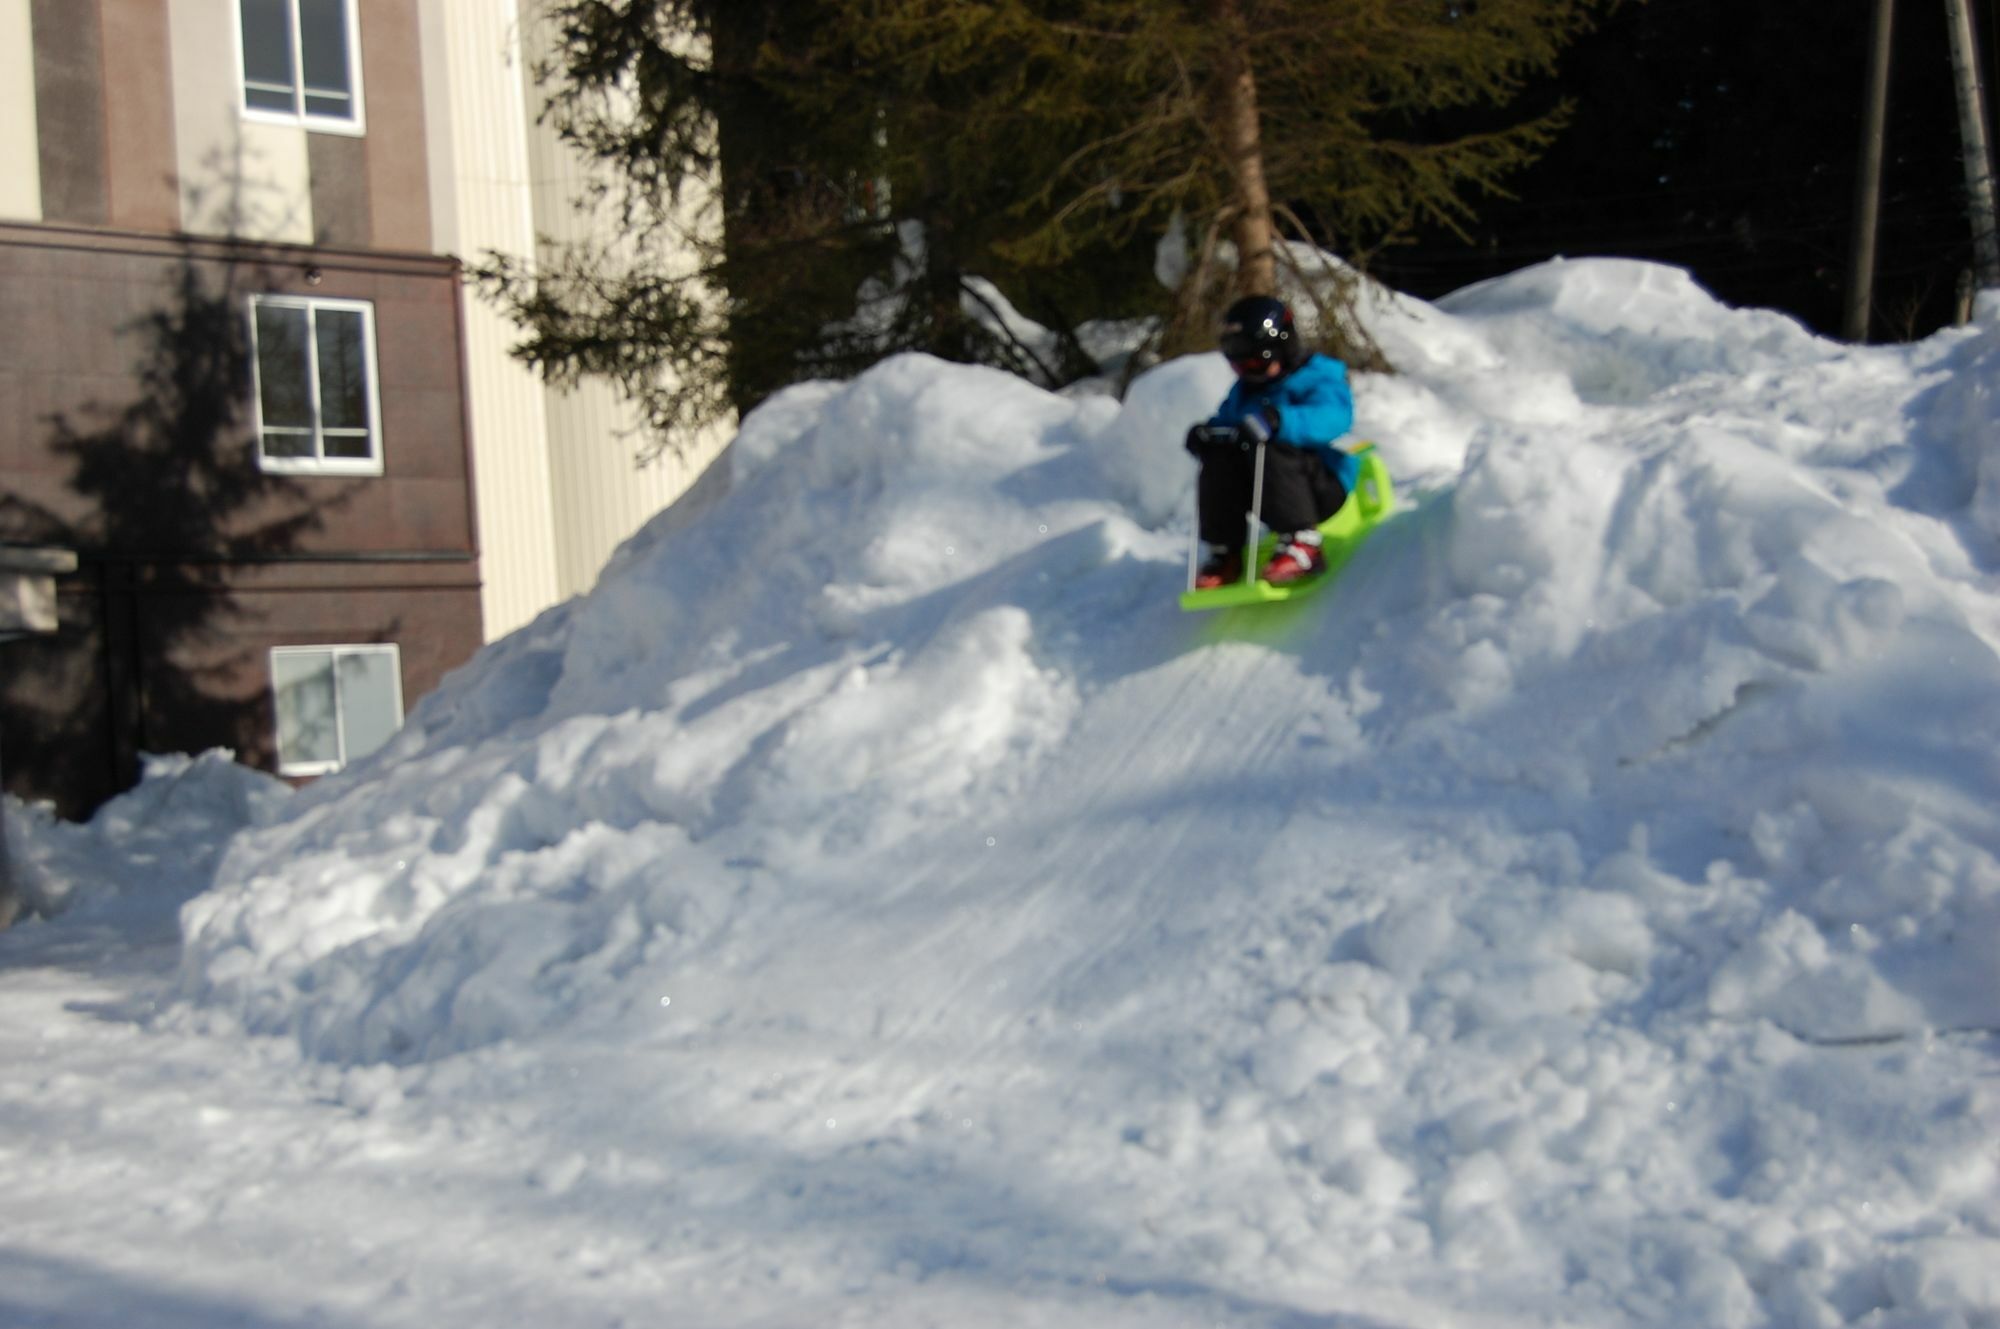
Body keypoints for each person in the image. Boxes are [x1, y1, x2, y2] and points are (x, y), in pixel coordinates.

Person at [1184, 295, 1358, 588]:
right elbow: (1227, 423)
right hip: (1271, 496)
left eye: (1255, 361)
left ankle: (1304, 544)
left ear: (1283, 348)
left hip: (1322, 489)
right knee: (1220, 453)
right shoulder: (1246, 390)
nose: (1248, 373)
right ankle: (1224, 551)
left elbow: (1335, 417)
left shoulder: (1317, 377)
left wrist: (1281, 421)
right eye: (1239, 367)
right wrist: (1206, 435)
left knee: (1271, 441)